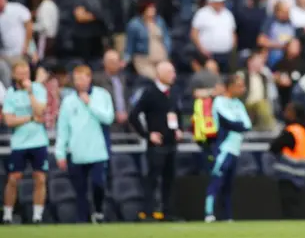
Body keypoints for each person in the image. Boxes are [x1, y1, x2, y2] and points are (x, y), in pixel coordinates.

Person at [55, 65, 114, 223]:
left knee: (98, 183)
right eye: (76, 79)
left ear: (89, 78)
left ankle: (99, 211)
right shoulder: (68, 101)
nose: (79, 82)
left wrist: (90, 104)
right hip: (76, 151)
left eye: (82, 78)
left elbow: (108, 118)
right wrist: (60, 152)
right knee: (80, 190)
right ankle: (84, 219)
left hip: (97, 150)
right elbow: (63, 128)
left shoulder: (102, 95)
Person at [128, 61, 183, 221]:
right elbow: (134, 116)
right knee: (152, 179)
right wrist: (147, 134)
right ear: (161, 74)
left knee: (169, 179)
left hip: (171, 143)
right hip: (156, 146)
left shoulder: (173, 92)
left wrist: (178, 129)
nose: (174, 75)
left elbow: (176, 113)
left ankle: (167, 212)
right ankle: (148, 212)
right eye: (170, 72)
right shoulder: (150, 93)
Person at [2, 61, 48, 224]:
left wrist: (30, 93)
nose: (24, 76)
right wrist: (29, 118)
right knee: (14, 178)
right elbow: (8, 120)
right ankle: (7, 215)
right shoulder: (10, 94)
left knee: (40, 178)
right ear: (14, 75)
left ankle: (37, 216)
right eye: (20, 73)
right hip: (19, 142)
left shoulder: (38, 89)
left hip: (39, 141)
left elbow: (41, 111)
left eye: (26, 73)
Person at [204, 74, 252, 223]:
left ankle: (227, 216)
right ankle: (209, 213)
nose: (242, 89)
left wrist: (238, 125)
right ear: (230, 86)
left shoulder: (238, 103)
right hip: (223, 148)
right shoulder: (219, 102)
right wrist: (238, 125)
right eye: (239, 85)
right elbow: (230, 122)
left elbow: (247, 125)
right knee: (216, 181)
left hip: (235, 149)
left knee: (229, 185)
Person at [269, 102, 305, 219]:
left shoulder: (291, 130)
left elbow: (274, 146)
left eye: (288, 110)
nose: (285, 113)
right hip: (301, 173)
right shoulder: (304, 130)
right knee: (296, 204)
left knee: (288, 205)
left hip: (288, 172)